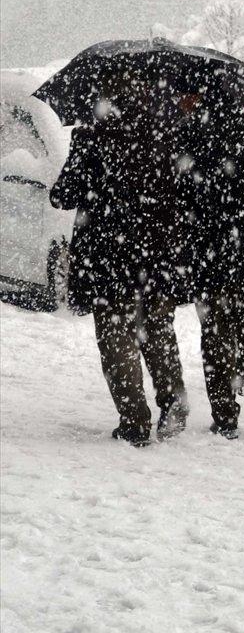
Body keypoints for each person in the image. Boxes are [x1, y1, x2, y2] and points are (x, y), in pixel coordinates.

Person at [49, 82, 190, 447]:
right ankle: (173, 402)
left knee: (117, 339)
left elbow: (62, 195)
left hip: (108, 256)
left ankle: (135, 421)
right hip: (157, 252)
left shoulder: (92, 137)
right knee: (158, 330)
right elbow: (184, 189)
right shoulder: (165, 132)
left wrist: (84, 171)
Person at [179, 94, 244, 439]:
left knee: (216, 333)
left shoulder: (192, 135)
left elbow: (182, 195)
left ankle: (225, 415)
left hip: (210, 251)